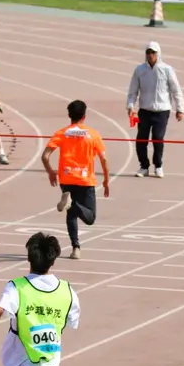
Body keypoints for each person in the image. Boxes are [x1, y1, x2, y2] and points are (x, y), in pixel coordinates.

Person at [0, 232, 81, 366]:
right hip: (49, 360)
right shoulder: (67, 291)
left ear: (29, 258)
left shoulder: (17, 287)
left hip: (16, 361)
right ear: (53, 261)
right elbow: (72, 321)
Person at [41, 100, 109, 260]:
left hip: (66, 177)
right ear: (84, 116)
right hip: (85, 179)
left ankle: (75, 247)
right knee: (90, 218)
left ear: (69, 115)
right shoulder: (93, 134)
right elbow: (104, 160)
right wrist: (106, 180)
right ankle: (73, 204)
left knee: (71, 214)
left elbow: (44, 156)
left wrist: (51, 172)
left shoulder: (62, 133)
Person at [127, 41, 184, 179]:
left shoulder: (167, 70)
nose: (150, 55)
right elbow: (133, 91)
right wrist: (130, 106)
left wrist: (180, 109)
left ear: (158, 54)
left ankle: (158, 166)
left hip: (162, 111)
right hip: (145, 110)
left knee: (158, 139)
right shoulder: (139, 70)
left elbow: (176, 90)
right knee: (141, 139)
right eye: (148, 52)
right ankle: (144, 166)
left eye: (153, 52)